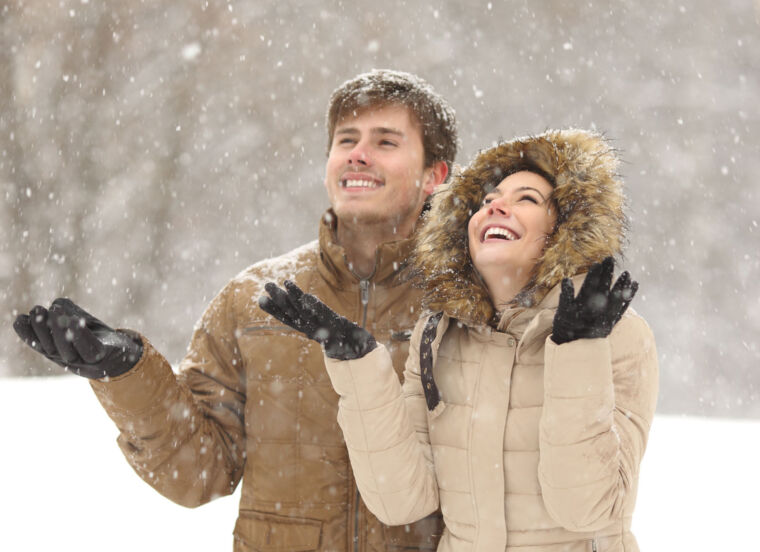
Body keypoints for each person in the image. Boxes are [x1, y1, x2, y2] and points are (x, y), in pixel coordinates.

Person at [13, 69, 458, 552]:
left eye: (385, 141)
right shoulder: (253, 300)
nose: (358, 153)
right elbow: (200, 472)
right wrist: (126, 375)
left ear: (435, 175)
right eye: (345, 139)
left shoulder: (466, 302)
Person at [259, 129, 659, 551]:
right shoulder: (436, 336)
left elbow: (588, 509)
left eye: (526, 199)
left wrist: (579, 352)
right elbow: (402, 500)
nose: (496, 206)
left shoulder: (617, 334)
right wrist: (358, 367)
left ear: (565, 230)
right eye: (485, 202)